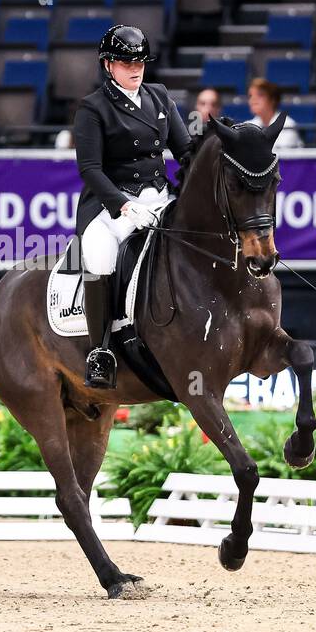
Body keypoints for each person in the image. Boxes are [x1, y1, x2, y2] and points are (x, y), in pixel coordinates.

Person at [73, 23, 193, 389]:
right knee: (99, 255)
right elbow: (90, 169)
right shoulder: (93, 108)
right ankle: (100, 351)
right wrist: (122, 206)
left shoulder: (159, 97)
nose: (136, 68)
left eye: (140, 61)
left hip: (159, 197)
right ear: (108, 65)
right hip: (112, 204)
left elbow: (185, 151)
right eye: (127, 62)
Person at [246, 78, 303, 149]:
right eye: (250, 96)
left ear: (273, 100)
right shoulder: (247, 126)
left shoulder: (287, 125)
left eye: (260, 95)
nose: (253, 99)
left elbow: (282, 155)